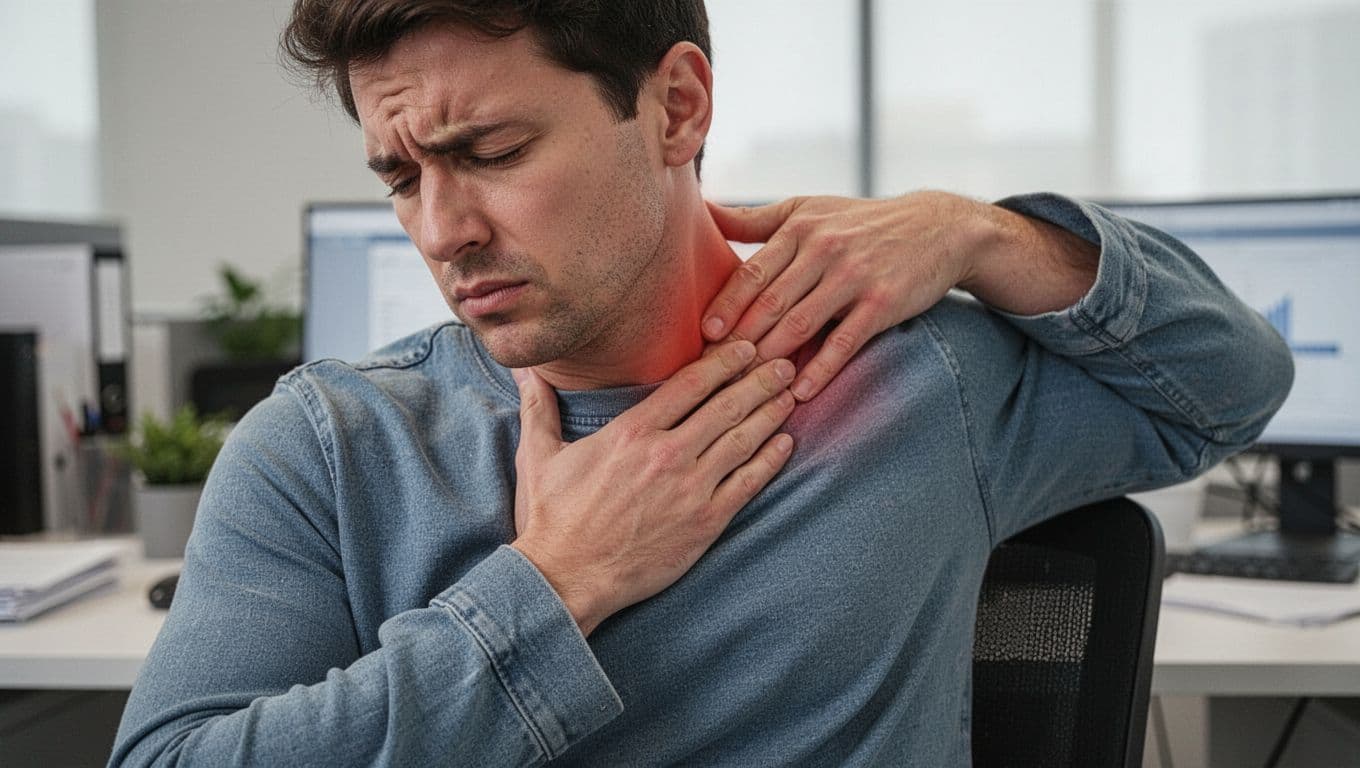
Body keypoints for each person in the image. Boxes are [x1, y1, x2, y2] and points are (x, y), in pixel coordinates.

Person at [111, 1, 1293, 766]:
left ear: (676, 107)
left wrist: (979, 232)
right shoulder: (332, 444)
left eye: (492, 153)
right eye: (399, 174)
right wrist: (553, 587)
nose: (443, 229)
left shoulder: (903, 376)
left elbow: (1227, 382)